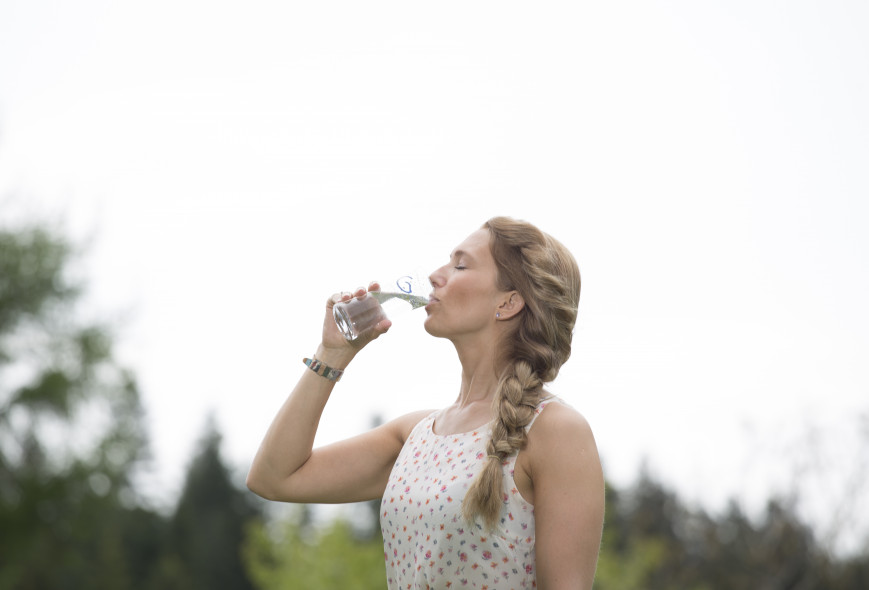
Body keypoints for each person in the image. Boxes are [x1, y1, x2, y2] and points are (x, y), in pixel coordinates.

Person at [247, 217, 604, 589]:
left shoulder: (556, 432)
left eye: (460, 265)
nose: (436, 275)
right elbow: (274, 478)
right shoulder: (415, 435)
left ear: (509, 301)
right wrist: (332, 355)